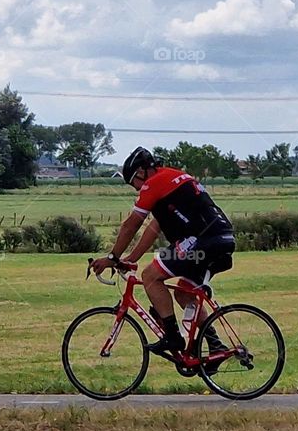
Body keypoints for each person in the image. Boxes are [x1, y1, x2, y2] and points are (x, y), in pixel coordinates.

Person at [91, 147, 235, 355]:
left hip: (201, 241)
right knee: (183, 295)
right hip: (222, 239)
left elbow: (131, 225)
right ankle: (215, 347)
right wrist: (130, 258)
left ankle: (173, 337)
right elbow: (153, 227)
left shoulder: (154, 183)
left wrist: (112, 258)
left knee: (150, 276)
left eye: (134, 182)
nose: (136, 189)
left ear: (142, 172)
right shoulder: (172, 177)